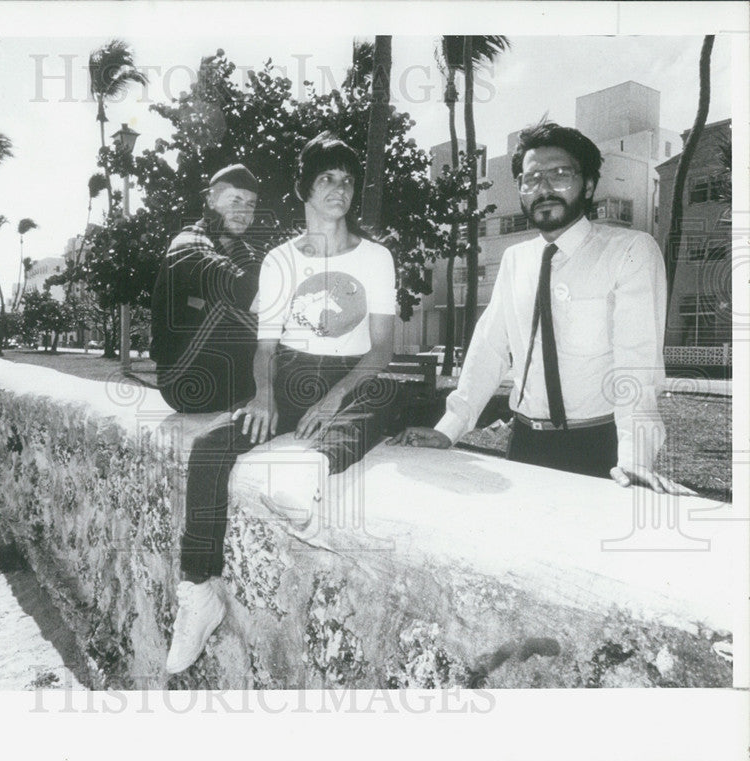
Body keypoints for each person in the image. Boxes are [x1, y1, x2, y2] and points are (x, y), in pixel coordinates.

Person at [165, 133, 397, 673]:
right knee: (210, 448)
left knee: (383, 398)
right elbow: (265, 348)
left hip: (353, 373)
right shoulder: (278, 259)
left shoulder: (376, 257)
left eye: (345, 179)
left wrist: (336, 394)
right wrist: (266, 395)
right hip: (290, 373)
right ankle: (198, 591)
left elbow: (383, 349)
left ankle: (308, 468)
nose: (338, 189)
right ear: (305, 190)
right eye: (326, 179)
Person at [390, 120, 689, 495]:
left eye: (560, 174)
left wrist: (634, 458)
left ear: (589, 185)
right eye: (531, 179)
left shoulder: (629, 251)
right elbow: (489, 348)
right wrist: (448, 428)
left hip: (599, 447)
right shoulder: (516, 259)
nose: (544, 188)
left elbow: (636, 364)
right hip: (525, 444)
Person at [150, 164, 262, 413]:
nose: (243, 211)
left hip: (237, 379)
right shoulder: (187, 244)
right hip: (185, 382)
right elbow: (250, 295)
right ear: (211, 200)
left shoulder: (249, 255)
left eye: (251, 204)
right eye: (235, 200)